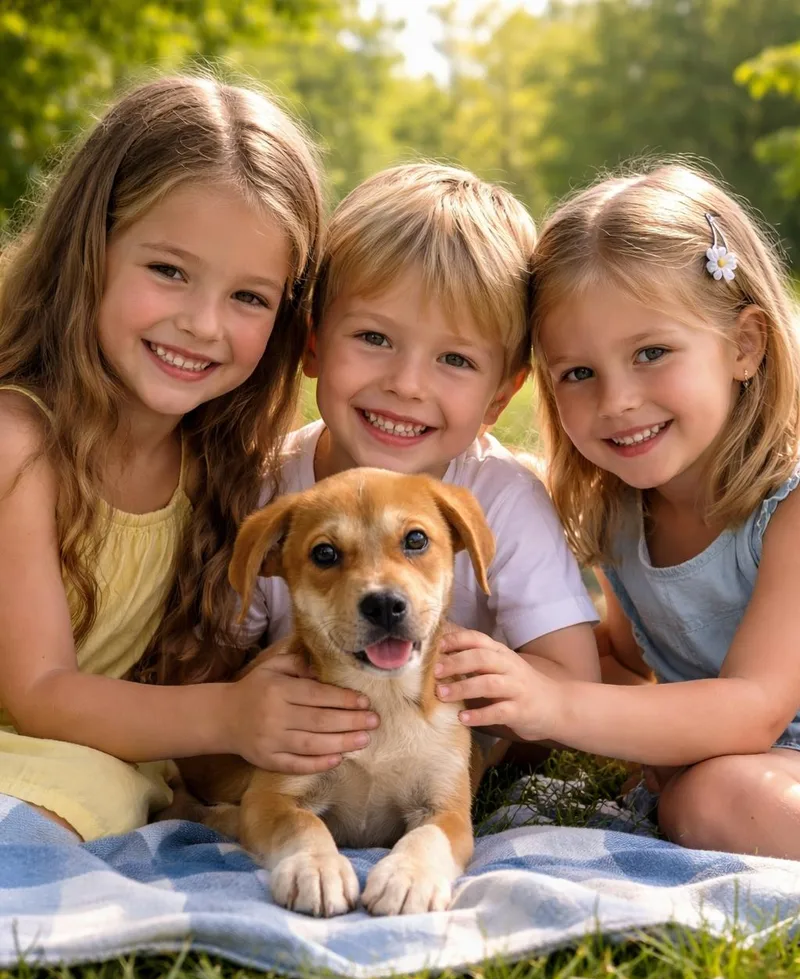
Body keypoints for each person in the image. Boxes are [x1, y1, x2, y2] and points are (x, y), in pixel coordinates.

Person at [0, 73, 378, 841]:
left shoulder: (220, 465)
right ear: (89, 251)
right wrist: (227, 717)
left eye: (249, 297)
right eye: (168, 271)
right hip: (42, 738)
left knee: (111, 790)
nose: (202, 324)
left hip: (81, 753)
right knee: (88, 796)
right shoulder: (19, 443)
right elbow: (39, 690)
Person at [435, 162, 800, 858]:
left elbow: (754, 707)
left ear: (744, 346)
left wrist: (557, 704)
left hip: (757, 761)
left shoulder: (789, 505)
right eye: (579, 373)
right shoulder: (627, 515)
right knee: (700, 789)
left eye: (652, 353)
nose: (617, 400)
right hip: (764, 767)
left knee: (710, 799)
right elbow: (626, 658)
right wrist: (503, 683)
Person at [238, 163, 600, 724]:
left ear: (499, 399)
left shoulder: (505, 498)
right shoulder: (269, 488)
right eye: (374, 337)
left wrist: (481, 679)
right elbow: (218, 666)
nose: (406, 385)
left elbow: (573, 679)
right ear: (312, 346)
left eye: (454, 359)